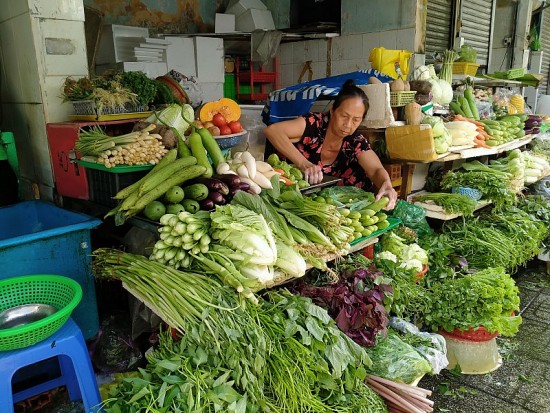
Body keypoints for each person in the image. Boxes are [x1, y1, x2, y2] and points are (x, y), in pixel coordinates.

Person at [263, 79, 398, 209]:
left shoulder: (356, 141)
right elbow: (273, 131)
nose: (348, 125)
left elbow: (375, 170)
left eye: (356, 120)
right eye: (344, 116)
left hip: (345, 209)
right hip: (302, 204)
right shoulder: (314, 124)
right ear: (333, 111)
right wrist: (304, 164)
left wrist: (386, 183)